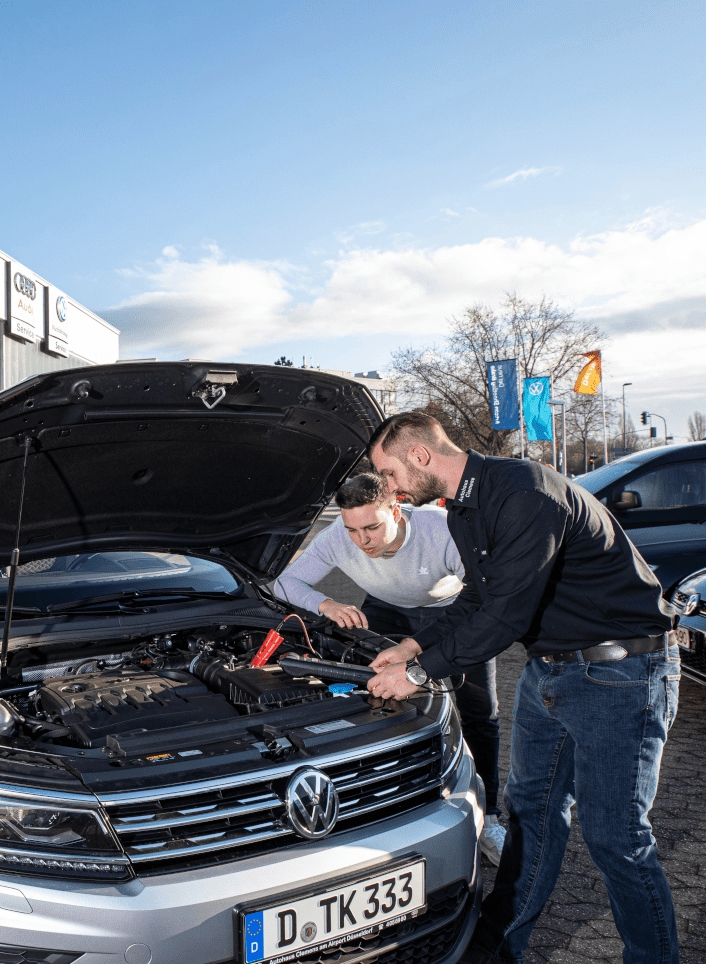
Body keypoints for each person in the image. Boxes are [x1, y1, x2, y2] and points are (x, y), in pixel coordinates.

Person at [365, 412, 679, 964]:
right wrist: (414, 646)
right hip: (549, 673)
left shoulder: (526, 493)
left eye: (388, 473)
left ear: (419, 456)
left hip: (620, 674)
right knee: (529, 814)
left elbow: (505, 615)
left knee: (616, 837)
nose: (388, 488)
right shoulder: (464, 508)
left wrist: (418, 674)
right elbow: (475, 599)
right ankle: (498, 949)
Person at [274, 472, 507, 864]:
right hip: (388, 611)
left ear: (396, 509)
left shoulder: (441, 528)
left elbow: (484, 596)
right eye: (352, 530)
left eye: (372, 527)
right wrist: (327, 605)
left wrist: (426, 654)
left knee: (480, 713)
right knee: (375, 703)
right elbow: (284, 584)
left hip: (452, 612)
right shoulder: (338, 535)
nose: (362, 540)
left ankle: (492, 814)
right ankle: (388, 803)